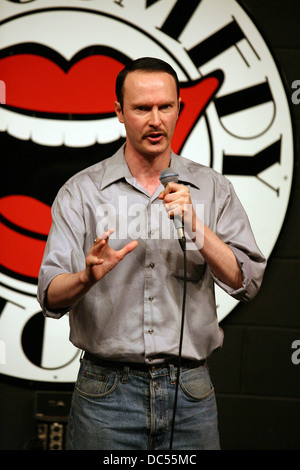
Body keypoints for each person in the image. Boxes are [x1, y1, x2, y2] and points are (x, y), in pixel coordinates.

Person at [37, 57, 266, 450]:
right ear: (119, 112)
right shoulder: (82, 191)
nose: (155, 120)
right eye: (142, 108)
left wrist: (197, 226)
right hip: (106, 394)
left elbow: (247, 282)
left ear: (181, 108)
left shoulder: (213, 188)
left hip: (190, 392)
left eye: (165, 107)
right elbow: (49, 295)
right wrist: (86, 277)